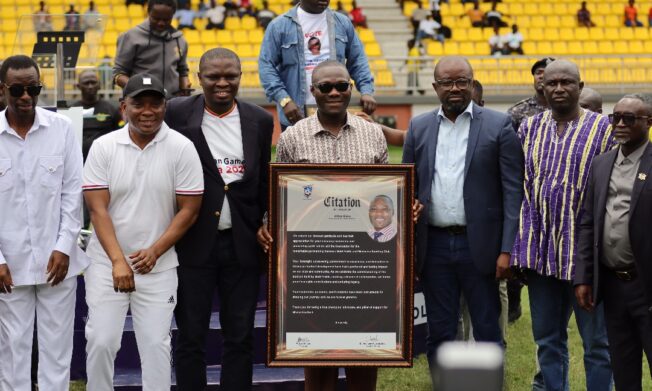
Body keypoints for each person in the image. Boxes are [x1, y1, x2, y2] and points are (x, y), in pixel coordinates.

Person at [257, 60, 419, 391]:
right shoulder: (292, 138)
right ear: (312, 91)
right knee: (316, 362)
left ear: (351, 88)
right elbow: (278, 193)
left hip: (365, 260)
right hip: (312, 261)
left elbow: (385, 193)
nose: (334, 92)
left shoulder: (373, 133)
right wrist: (267, 223)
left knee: (364, 359)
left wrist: (403, 207)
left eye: (342, 86)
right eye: (326, 87)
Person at [402, 56, 523, 379]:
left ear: (472, 83)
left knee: (486, 328)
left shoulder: (499, 125)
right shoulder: (419, 127)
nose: (455, 88)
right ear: (435, 87)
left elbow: (513, 192)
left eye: (462, 81)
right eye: (447, 82)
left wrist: (507, 249)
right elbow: (408, 186)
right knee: (440, 331)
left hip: (480, 247)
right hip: (435, 246)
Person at [82, 73, 203, 391]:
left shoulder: (182, 148)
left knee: (156, 346)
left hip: (158, 266)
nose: (147, 111)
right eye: (139, 103)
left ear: (165, 107)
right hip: (107, 263)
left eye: (155, 104)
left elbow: (189, 209)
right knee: (101, 340)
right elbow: (98, 209)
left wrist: (155, 251)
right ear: (124, 107)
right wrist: (118, 261)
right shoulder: (103, 147)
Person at [165, 48, 273, 391]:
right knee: (190, 335)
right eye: (213, 77)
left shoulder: (260, 119)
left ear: (242, 76)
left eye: (231, 76)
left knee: (239, 336)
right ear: (199, 79)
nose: (222, 84)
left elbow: (264, 181)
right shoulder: (177, 113)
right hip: (192, 242)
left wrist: (267, 219)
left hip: (242, 243)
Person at [510, 60, 614, 391]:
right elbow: (521, 188)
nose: (558, 88)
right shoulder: (528, 128)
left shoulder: (604, 129)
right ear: (541, 87)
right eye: (551, 83)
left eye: (566, 82)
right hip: (541, 256)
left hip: (587, 260)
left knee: (597, 345)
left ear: (580, 87)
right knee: (547, 341)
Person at [0, 55, 87, 391]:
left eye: (33, 88)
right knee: (12, 352)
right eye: (18, 89)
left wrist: (64, 247)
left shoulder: (62, 130)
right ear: (3, 89)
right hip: (9, 266)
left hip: (57, 263)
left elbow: (72, 194)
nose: (26, 96)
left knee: (57, 350)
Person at [575, 93, 652, 391]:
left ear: (648, 122)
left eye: (629, 119)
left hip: (646, 285)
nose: (619, 124)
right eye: (615, 117)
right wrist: (583, 277)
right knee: (623, 366)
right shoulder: (601, 164)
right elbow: (587, 223)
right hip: (613, 285)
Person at [259, 0, 376, 130]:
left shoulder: (342, 23)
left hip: (336, 114)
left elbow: (358, 61)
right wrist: (284, 100)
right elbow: (266, 66)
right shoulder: (279, 26)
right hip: (296, 115)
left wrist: (366, 91)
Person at [113, 0, 191, 98]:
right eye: (156, 18)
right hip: (141, 103)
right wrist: (139, 89)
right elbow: (118, 74)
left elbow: (183, 71)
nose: (161, 23)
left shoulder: (179, 39)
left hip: (173, 104)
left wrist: (185, 89)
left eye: (166, 19)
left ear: (173, 15)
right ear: (148, 12)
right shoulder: (130, 37)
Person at [73, 70, 122, 161]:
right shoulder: (72, 110)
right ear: (78, 86)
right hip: (79, 160)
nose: (90, 86)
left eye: (93, 82)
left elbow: (119, 134)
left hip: (106, 159)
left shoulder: (111, 109)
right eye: (86, 83)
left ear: (99, 85)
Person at [507, 57, 554, 133]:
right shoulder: (518, 110)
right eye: (538, 73)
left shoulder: (567, 109)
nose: (541, 76)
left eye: (546, 73)